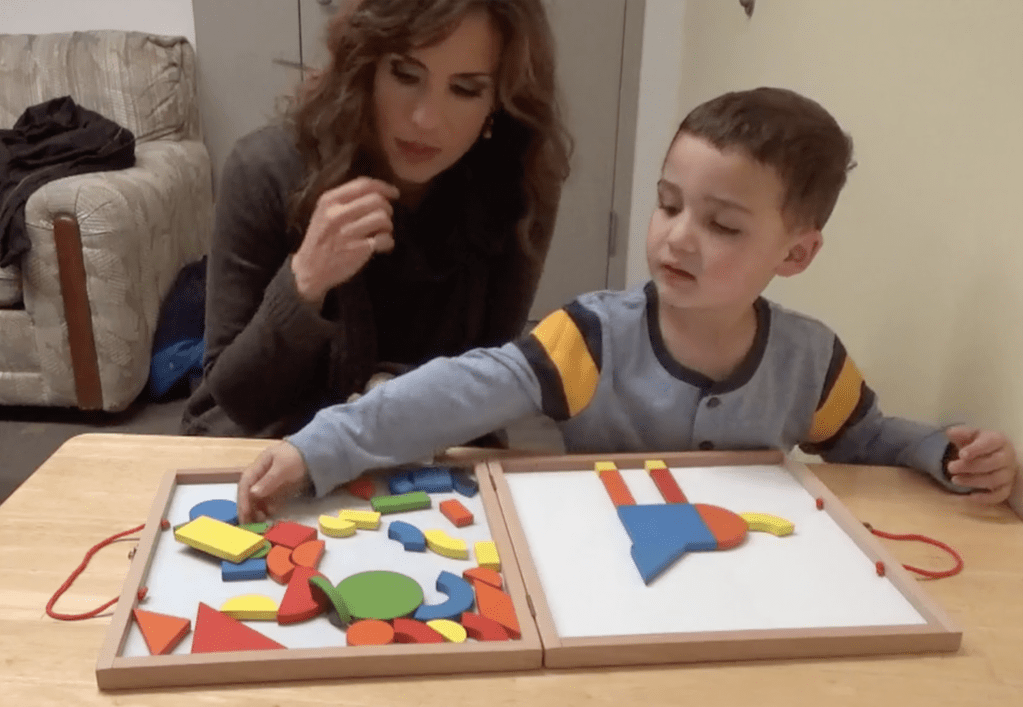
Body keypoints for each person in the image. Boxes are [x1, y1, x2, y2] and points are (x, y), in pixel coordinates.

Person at [236, 87, 1018, 522]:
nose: (678, 237)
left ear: (795, 254)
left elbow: (869, 439)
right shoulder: (590, 338)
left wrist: (946, 455)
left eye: (721, 224)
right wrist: (321, 446)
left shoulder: (812, 363)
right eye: (668, 203)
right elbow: (455, 391)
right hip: (597, 574)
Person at [181, 0, 571, 437]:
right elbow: (235, 399)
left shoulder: (519, 185)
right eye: (406, 74)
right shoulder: (265, 169)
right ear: (365, 67)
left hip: (421, 445)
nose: (425, 119)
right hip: (269, 444)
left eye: (465, 89)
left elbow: (479, 384)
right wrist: (304, 283)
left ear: (498, 100)